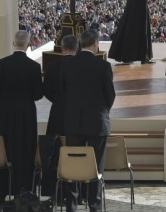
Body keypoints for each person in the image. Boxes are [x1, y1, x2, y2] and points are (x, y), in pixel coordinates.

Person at [61, 29, 115, 212]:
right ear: (95, 44)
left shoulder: (67, 65)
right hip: (97, 122)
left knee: (73, 165)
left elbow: (62, 93)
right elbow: (110, 95)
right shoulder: (103, 66)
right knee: (96, 168)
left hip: (73, 122)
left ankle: (71, 206)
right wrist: (102, 111)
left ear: (80, 45)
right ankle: (94, 206)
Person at [0, 30, 43, 203]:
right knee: (25, 150)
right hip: (26, 114)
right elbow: (38, 94)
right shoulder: (34, 67)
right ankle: (23, 189)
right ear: (28, 44)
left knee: (4, 149)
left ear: (14, 44)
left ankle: (1, 191)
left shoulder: (2, 64)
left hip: (5, 112)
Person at [43, 35, 78, 137]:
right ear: (77, 48)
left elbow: (46, 90)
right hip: (77, 112)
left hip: (57, 110)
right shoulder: (82, 67)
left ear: (62, 48)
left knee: (55, 143)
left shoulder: (52, 67)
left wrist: (57, 99)